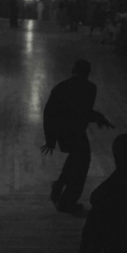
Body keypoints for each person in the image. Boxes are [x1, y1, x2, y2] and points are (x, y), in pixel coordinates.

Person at [41, 59, 114, 216]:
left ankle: (59, 187)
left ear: (73, 70)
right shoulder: (90, 88)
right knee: (81, 165)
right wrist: (100, 118)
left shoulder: (60, 87)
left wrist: (51, 139)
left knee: (76, 158)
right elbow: (84, 111)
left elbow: (48, 114)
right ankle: (67, 202)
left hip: (62, 131)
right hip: (76, 131)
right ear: (88, 73)